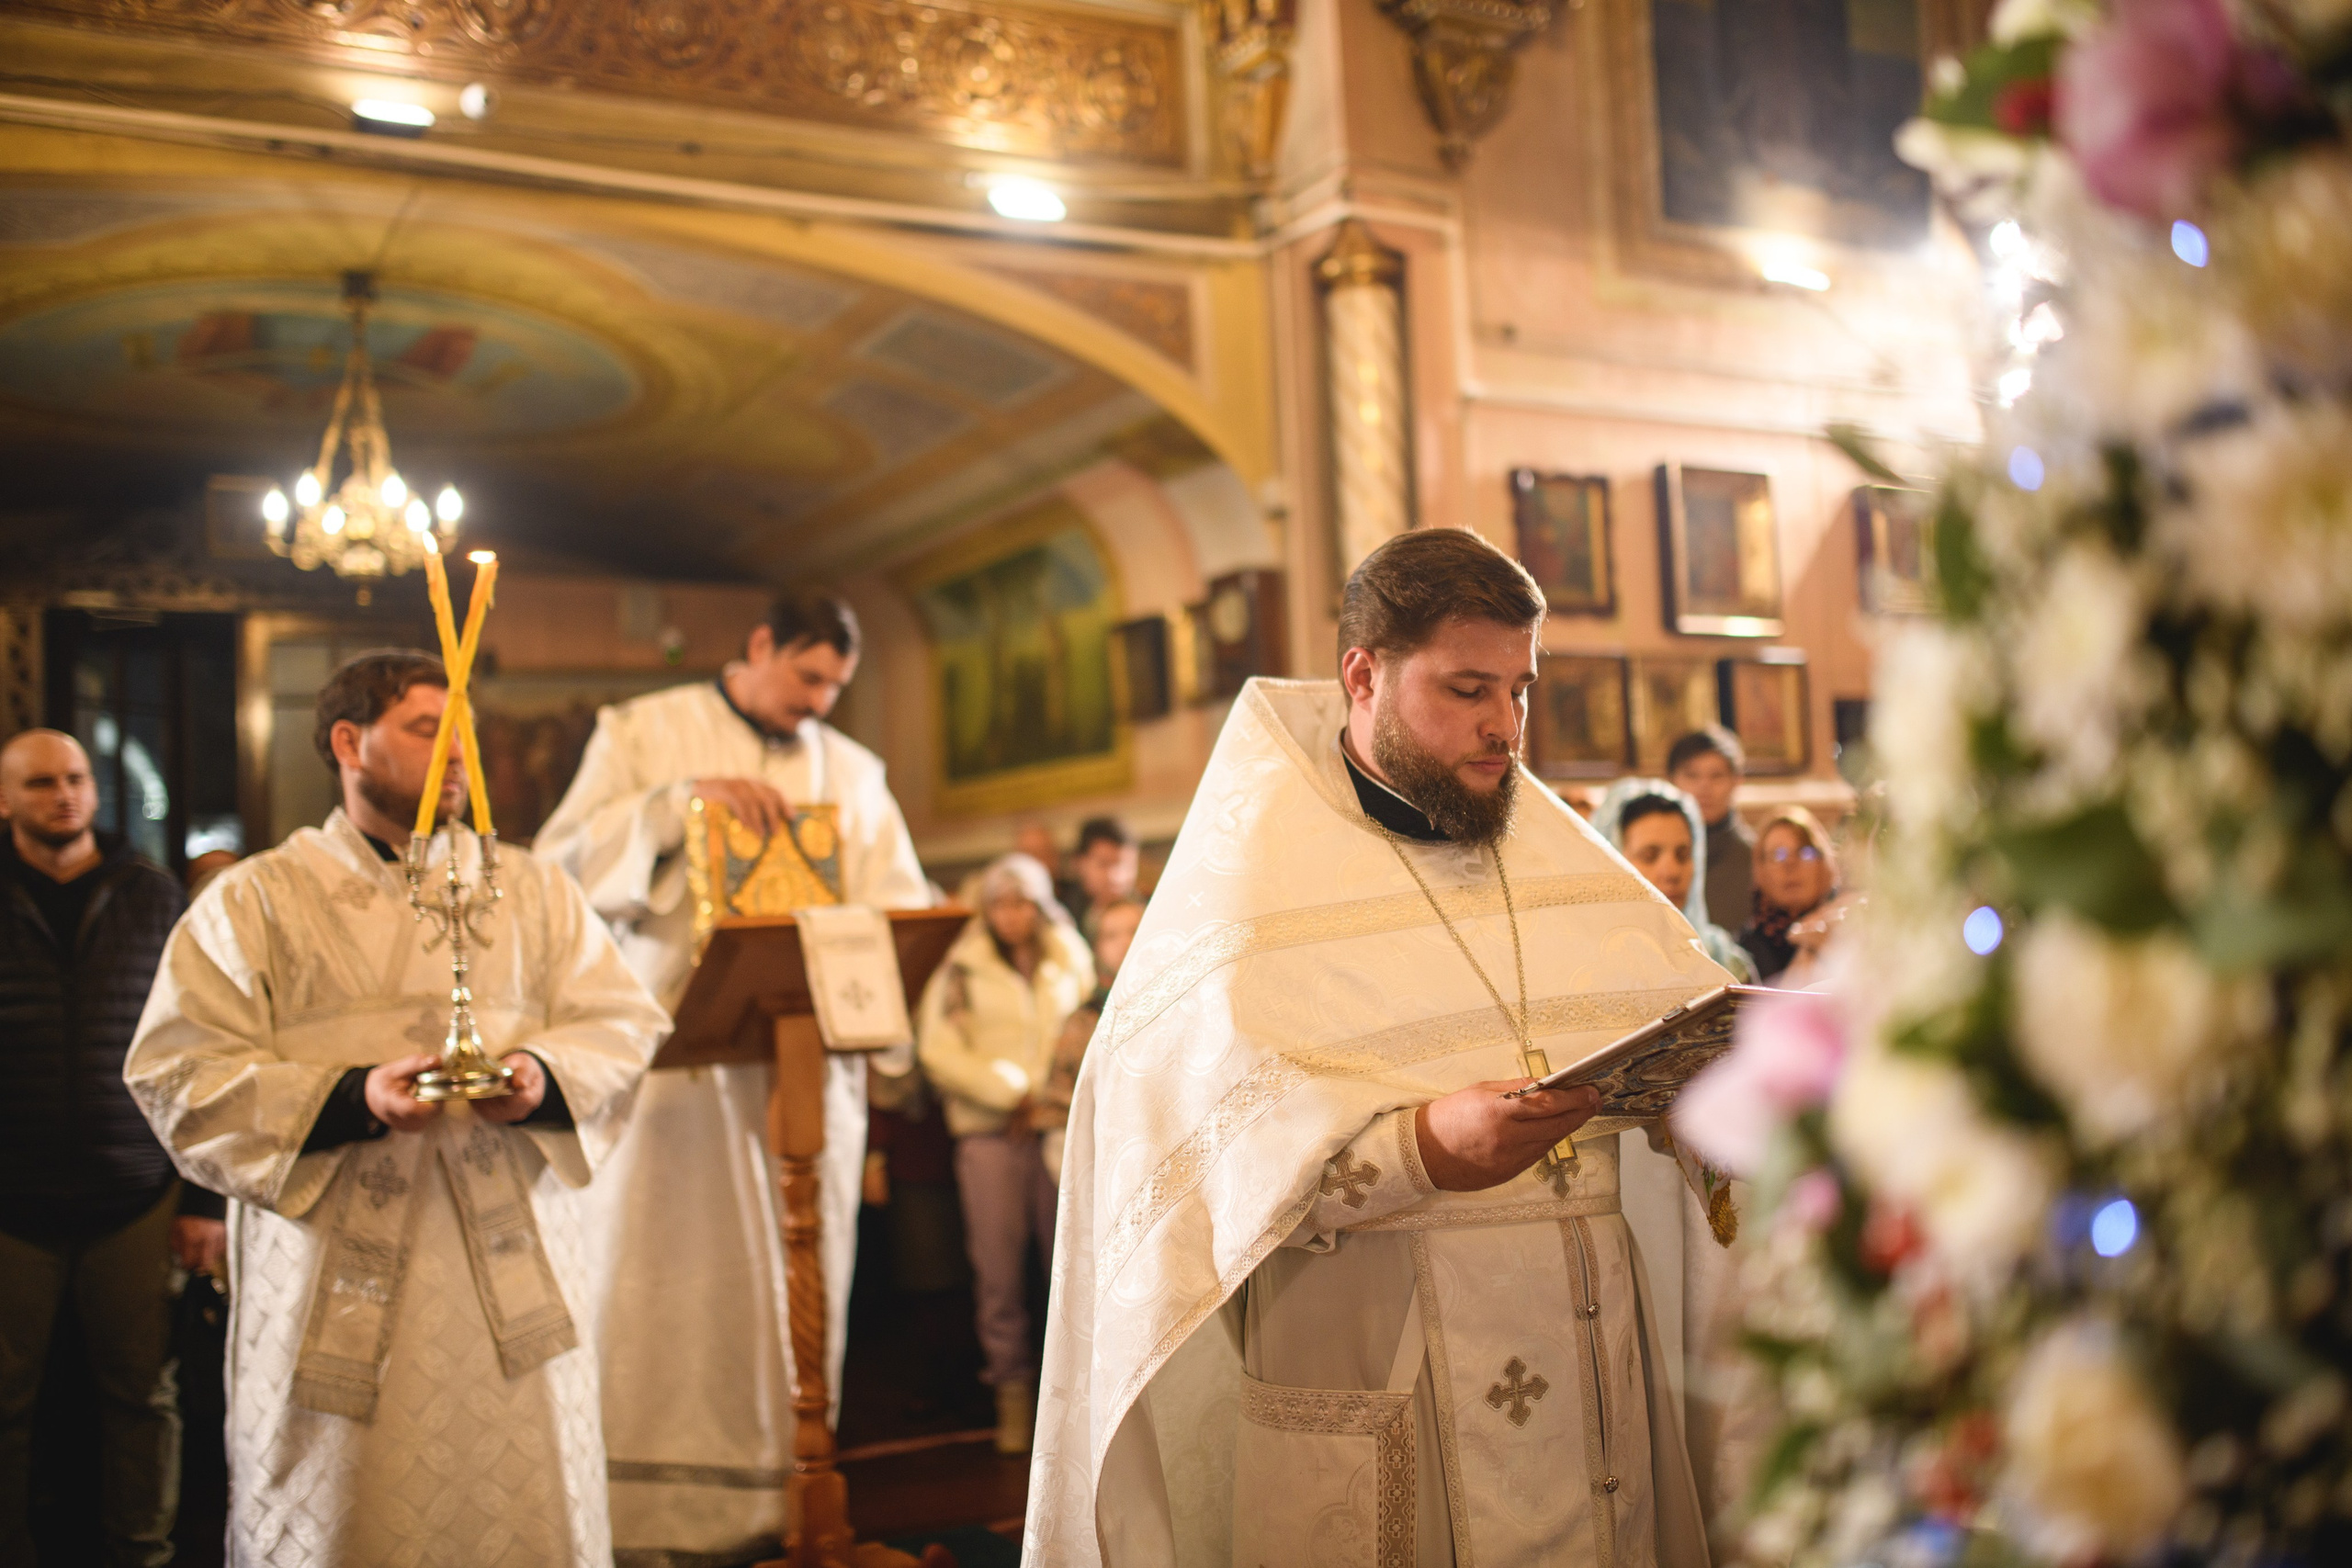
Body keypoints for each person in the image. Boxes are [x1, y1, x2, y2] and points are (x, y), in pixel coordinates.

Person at [1028, 528, 1730, 1566]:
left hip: (1590, 1374)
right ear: (1362, 674)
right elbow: (1190, 1173)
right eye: (1467, 690)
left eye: (1521, 691)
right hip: (1384, 1367)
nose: (1506, 729)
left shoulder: (1553, 858)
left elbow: (1678, 1025)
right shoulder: (1250, 883)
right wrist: (1424, 1151)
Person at [121, 651, 667, 1565]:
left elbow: (621, 1021)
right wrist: (349, 1096)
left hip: (513, 1282)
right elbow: (176, 1070)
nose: (459, 752)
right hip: (339, 1277)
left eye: (465, 732)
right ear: (348, 741)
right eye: (426, 728)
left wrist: (541, 1074)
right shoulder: (258, 900)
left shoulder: (530, 888)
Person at [532, 592, 931, 1562]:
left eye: (835, 689)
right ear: (758, 647)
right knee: (669, 1283)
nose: (818, 707)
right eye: (805, 679)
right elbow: (556, 868)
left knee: (799, 1280)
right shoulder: (643, 733)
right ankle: (653, 1523)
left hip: (800, 1067)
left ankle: (787, 1501)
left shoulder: (856, 772)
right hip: (678, 1071)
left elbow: (900, 903)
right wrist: (674, 811)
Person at [0, 730, 220, 1567]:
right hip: (11, 1194)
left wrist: (203, 1198)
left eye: (78, 778)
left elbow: (200, 1052)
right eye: (42, 781)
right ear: (7, 799)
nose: (65, 794)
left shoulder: (153, 895)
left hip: (135, 1189)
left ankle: (144, 1551)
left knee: (144, 1395)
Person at [916, 853, 1093, 1456]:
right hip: (990, 1135)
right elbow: (938, 1050)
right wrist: (1012, 1089)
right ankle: (1012, 1400)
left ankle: (1071, 1405)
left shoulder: (1068, 957)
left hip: (1056, 1129)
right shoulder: (959, 969)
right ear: (986, 908)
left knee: (1065, 1268)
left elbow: (1087, 1028)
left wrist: (1045, 1096)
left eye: (1024, 902)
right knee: (998, 1274)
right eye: (1001, 902)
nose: (1012, 914)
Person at [1591, 777, 1758, 983]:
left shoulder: (1723, 961)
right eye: (1649, 856)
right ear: (1610, 863)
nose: (1671, 872)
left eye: (1682, 855)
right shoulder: (1589, 968)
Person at [1035, 895, 1144, 1185]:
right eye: (1111, 935)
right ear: (1097, 948)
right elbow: (1059, 1109)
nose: (1125, 942)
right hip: (1104, 1162)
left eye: (1134, 930)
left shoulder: (1182, 1005)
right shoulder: (1084, 1022)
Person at [1737, 807, 1842, 986]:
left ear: (1824, 863)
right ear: (1761, 870)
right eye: (1778, 855)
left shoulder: (1850, 927)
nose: (1790, 865)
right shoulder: (1743, 952)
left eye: (1805, 853)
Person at [1668, 727, 1754, 933]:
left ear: (1737, 781)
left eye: (1716, 776)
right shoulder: (1655, 856)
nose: (1704, 787)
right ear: (1671, 780)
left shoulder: (1755, 856)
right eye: (1691, 775)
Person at [1067, 817, 1139, 941]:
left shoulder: (1153, 911)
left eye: (1124, 865)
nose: (1115, 877)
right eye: (1103, 864)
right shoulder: (1066, 918)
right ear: (1079, 863)